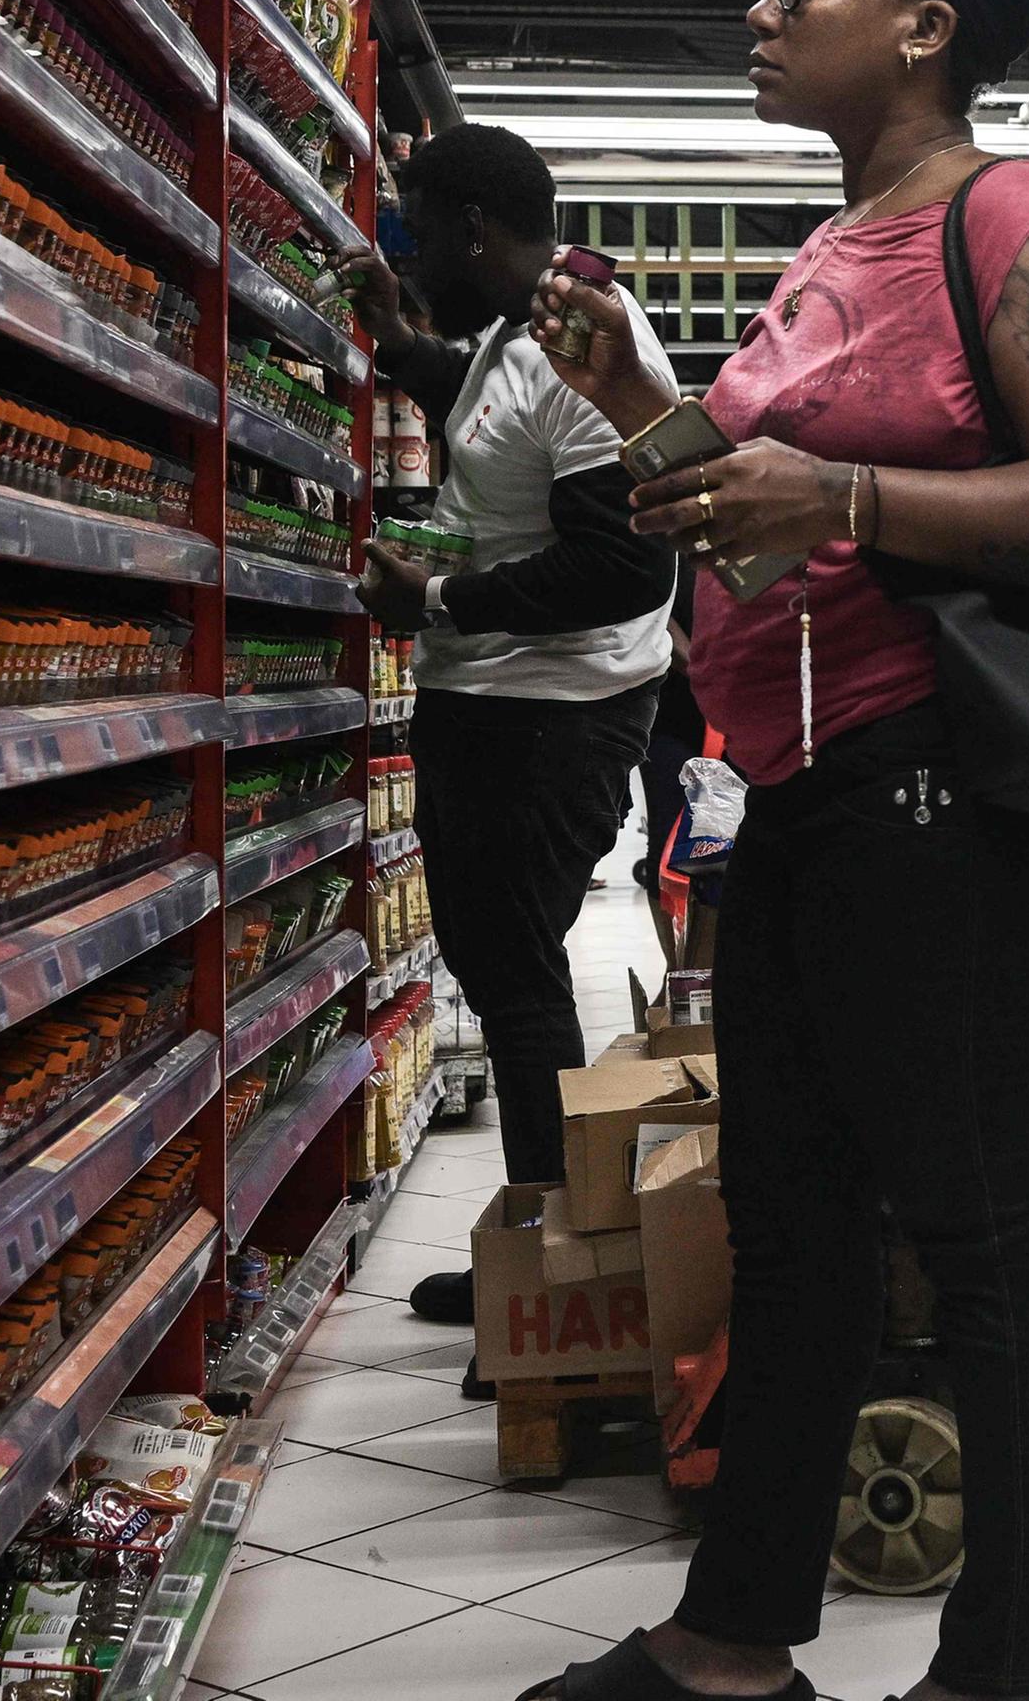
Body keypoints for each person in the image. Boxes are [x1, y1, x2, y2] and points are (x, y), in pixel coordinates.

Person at [519, 0, 1029, 1701]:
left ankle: (1002, 1668)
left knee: (984, 1230)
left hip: (942, 802)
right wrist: (652, 411)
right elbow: (765, 497)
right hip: (805, 799)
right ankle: (735, 1641)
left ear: (921, 22)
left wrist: (834, 507)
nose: (760, 6)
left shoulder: (1009, 218)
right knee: (796, 1223)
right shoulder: (834, 244)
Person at [350, 127, 683, 1331]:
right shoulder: (513, 332)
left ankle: (550, 1265)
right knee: (505, 970)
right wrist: (399, 345)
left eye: (420, 226)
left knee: (518, 977)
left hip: (551, 713)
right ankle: (542, 1239)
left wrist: (435, 599)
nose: (409, 243)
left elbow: (623, 567)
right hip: (503, 699)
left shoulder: (582, 343)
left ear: (475, 228)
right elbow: (486, 405)